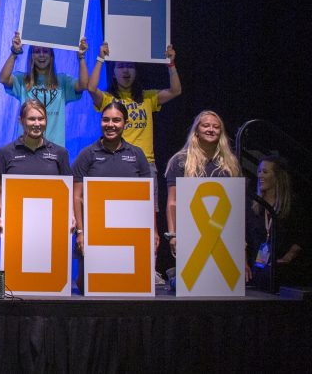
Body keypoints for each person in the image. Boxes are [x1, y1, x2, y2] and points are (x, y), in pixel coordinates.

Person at [72, 102, 151, 255]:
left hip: (129, 230)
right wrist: (80, 232)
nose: (110, 125)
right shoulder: (87, 154)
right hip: (94, 231)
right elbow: (77, 197)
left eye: (116, 120)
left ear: (125, 124)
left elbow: (147, 198)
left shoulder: (137, 154)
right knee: (86, 278)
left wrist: (152, 231)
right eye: (106, 120)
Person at [87, 42, 181, 168]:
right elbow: (91, 88)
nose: (126, 70)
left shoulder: (148, 97)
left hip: (145, 162)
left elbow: (176, 90)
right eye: (120, 66)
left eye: (130, 66)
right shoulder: (107, 98)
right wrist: (100, 59)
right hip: (116, 160)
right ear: (113, 73)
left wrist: (171, 64)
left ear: (136, 72)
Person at [163, 110, 241, 260]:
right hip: (190, 230)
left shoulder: (231, 163)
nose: (211, 130)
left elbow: (236, 204)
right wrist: (173, 234)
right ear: (197, 130)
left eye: (216, 127)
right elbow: (173, 201)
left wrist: (241, 241)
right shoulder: (180, 161)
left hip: (223, 232)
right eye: (206, 125)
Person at [0, 100, 71, 233]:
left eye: (41, 119)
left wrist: (71, 215)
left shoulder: (60, 153)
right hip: (15, 225)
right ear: (21, 121)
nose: (37, 124)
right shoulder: (4, 153)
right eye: (32, 119)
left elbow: (69, 191)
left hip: (52, 226)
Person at [0, 32, 89, 149]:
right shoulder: (22, 80)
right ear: (31, 55)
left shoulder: (62, 81)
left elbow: (84, 85)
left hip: (54, 149)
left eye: (45, 51)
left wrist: (81, 58)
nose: (41, 55)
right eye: (37, 51)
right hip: (26, 147)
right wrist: (14, 52)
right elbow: (3, 78)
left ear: (52, 56)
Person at [247, 155, 308, 289]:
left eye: (265, 172)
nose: (260, 175)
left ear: (277, 177)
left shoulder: (292, 205)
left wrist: (287, 258)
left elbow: (301, 237)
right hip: (256, 271)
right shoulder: (252, 205)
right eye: (259, 171)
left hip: (282, 271)